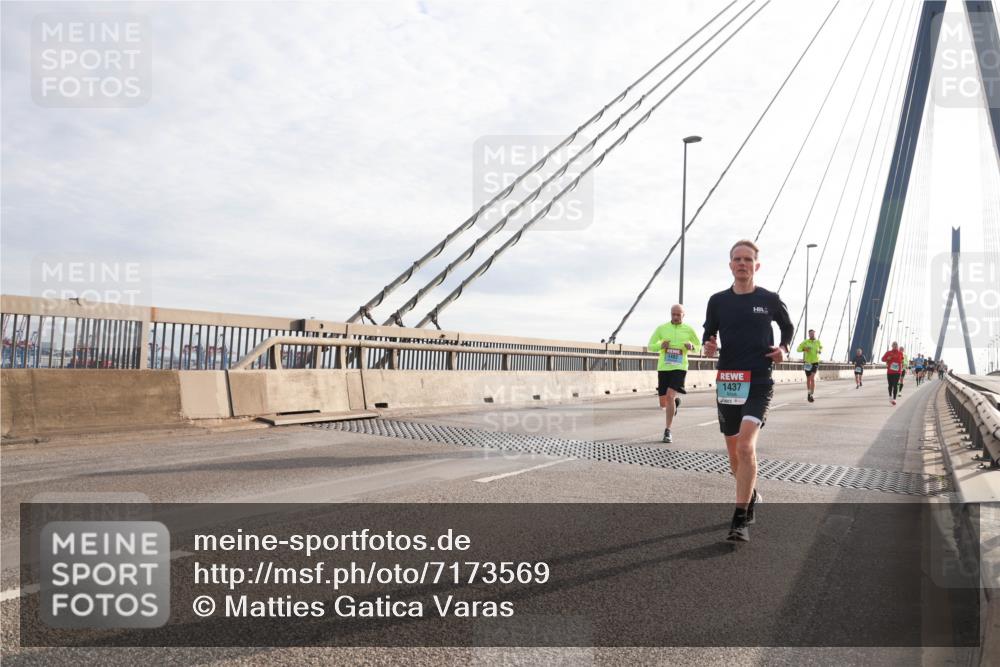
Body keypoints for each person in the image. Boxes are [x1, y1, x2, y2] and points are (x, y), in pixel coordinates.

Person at [702, 239, 793, 543]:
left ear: (757, 265)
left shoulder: (769, 299)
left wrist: (783, 349)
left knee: (745, 447)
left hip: (759, 380)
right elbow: (708, 331)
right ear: (730, 265)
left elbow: (787, 328)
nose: (742, 264)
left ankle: (740, 519)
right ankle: (750, 494)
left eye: (748, 259)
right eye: (737, 259)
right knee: (733, 456)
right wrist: (709, 345)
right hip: (729, 379)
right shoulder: (717, 301)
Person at [647, 304, 701, 444]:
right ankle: (675, 403)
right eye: (673, 314)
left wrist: (692, 347)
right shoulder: (662, 328)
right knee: (664, 402)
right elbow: (650, 346)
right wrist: (660, 345)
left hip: (680, 367)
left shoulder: (689, 330)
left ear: (684, 315)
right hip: (664, 367)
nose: (676, 317)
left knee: (670, 396)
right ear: (670, 314)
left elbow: (699, 346)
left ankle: (668, 431)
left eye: (678, 314)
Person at [796, 329, 823, 402]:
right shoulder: (805, 342)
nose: (812, 335)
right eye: (810, 334)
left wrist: (820, 350)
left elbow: (821, 347)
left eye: (813, 334)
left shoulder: (818, 342)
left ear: (815, 334)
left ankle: (812, 393)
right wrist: (805, 349)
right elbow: (798, 349)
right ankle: (809, 393)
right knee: (808, 379)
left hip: (815, 362)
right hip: (807, 363)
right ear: (809, 335)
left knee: (812, 378)